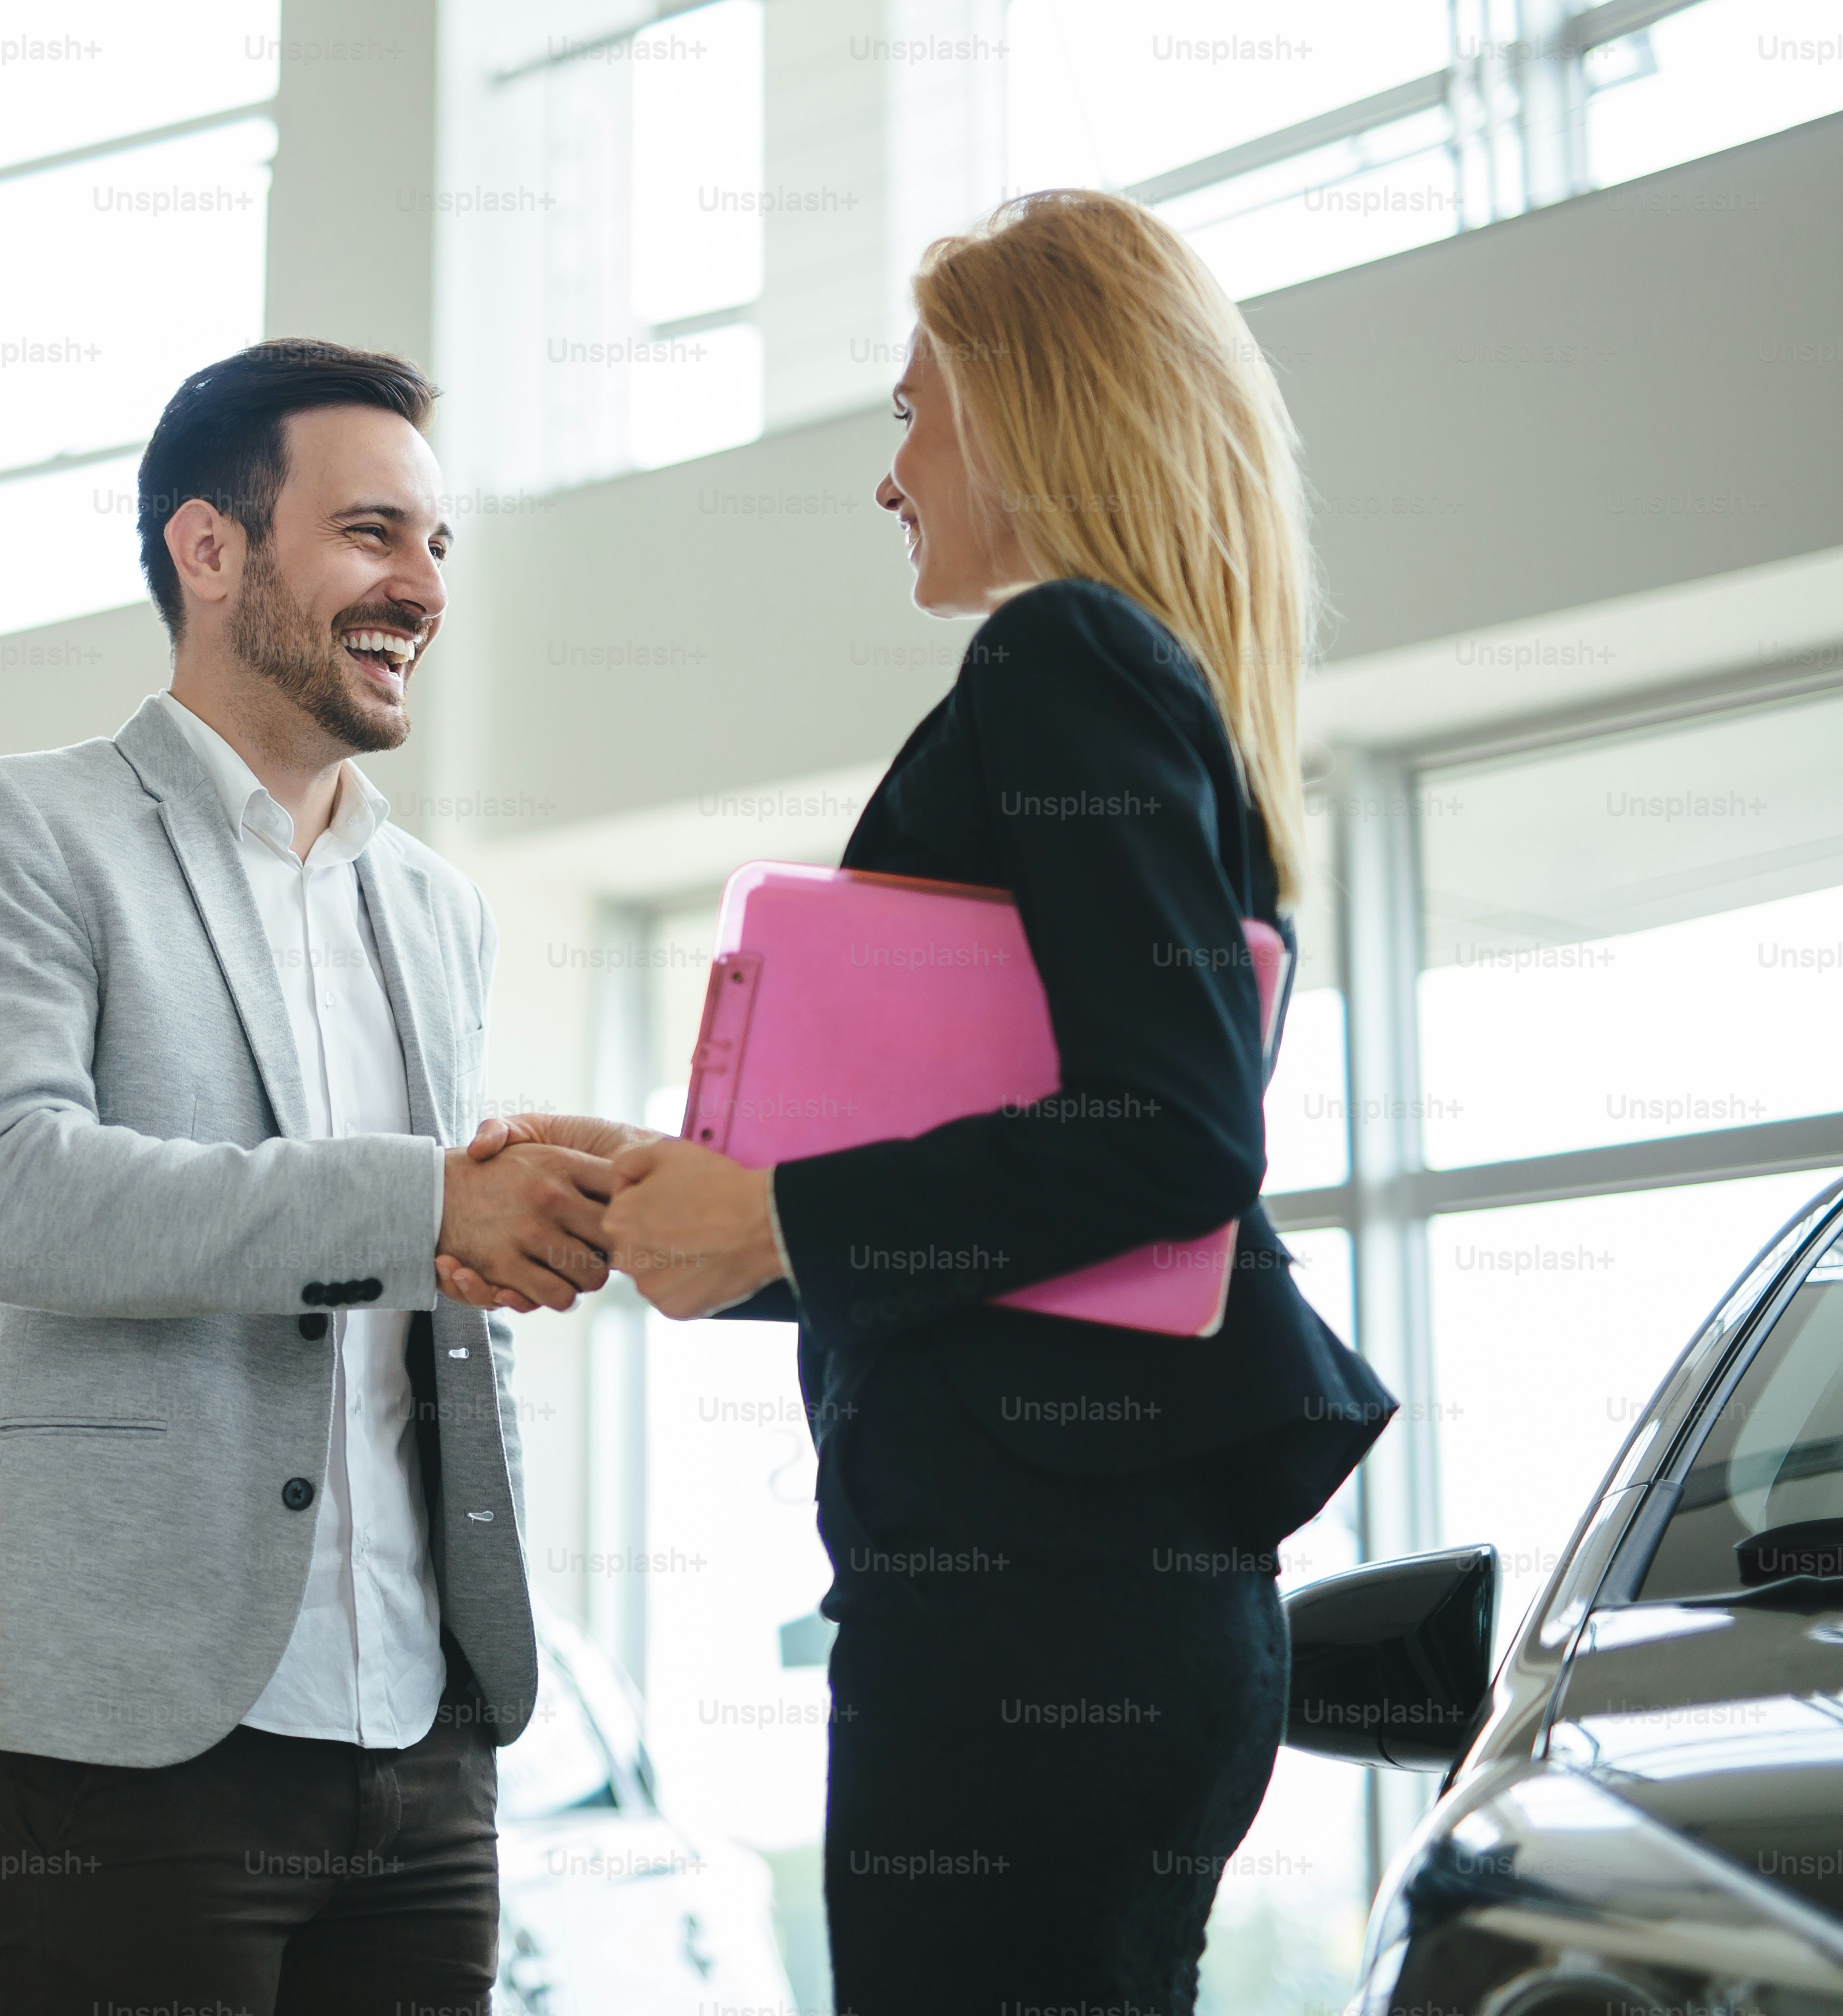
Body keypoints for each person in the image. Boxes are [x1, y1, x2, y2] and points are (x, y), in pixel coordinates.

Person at [442, 191, 1398, 2011]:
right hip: (1095, 1592)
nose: (892, 474)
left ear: (1030, 405)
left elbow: (1179, 1135)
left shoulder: (1062, 657)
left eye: (909, 407)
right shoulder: (1151, 680)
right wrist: (700, 1199)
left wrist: (783, 1217)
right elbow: (1061, 1188)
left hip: (1037, 1605)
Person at [0, 337, 611, 2015]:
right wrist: (426, 1202)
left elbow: (413, 1262)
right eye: (371, 533)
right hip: (122, 1739)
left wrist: (534, 1220)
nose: (421, 586)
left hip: (423, 1733)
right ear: (210, 550)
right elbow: (9, 1191)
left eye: (438, 547)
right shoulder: (14, 830)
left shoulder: (436, 906)